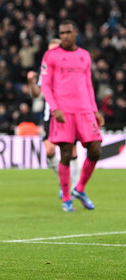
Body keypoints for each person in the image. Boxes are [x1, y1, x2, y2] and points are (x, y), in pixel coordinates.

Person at [40, 20, 104, 212]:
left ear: (76, 32)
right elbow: (45, 85)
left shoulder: (84, 55)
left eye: (68, 32)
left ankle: (80, 188)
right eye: (62, 33)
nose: (65, 36)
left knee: (96, 150)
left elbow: (88, 84)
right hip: (63, 111)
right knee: (66, 154)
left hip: (85, 111)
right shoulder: (51, 55)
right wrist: (54, 108)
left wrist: (94, 109)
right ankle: (66, 198)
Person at [27, 38, 80, 199]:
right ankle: (62, 180)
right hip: (50, 114)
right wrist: (30, 82)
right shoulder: (46, 69)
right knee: (49, 150)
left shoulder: (71, 67)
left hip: (70, 112)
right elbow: (37, 94)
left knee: (71, 151)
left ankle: (75, 188)